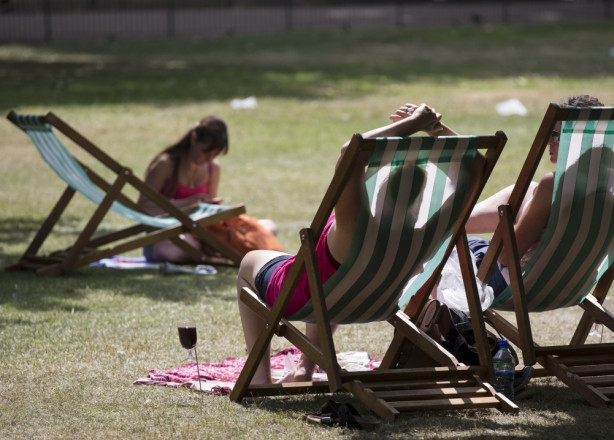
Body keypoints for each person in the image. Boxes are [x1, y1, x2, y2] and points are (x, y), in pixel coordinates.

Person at [237, 104, 446, 385]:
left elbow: (351, 151)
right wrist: (435, 129)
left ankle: (259, 377)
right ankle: (305, 368)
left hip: (309, 297)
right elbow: (477, 166)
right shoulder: (428, 228)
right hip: (376, 301)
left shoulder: (354, 225)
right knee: (328, 272)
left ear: (379, 188)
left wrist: (416, 122)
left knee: (252, 260)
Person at [395, 95, 604, 298]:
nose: (550, 141)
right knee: (519, 194)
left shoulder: (552, 187)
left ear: (581, 140)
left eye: (557, 135)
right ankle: (424, 222)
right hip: (576, 283)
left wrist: (511, 226)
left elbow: (506, 257)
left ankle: (415, 233)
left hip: (514, 283)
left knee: (425, 241)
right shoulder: (611, 190)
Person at [137, 116, 277, 263]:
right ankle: (219, 250)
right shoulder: (166, 164)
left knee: (269, 226)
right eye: (205, 152)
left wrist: (212, 206)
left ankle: (213, 250)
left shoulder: (213, 167)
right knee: (171, 250)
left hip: (200, 233)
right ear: (193, 138)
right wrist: (187, 204)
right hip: (168, 234)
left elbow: (208, 214)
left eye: (214, 155)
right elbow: (143, 205)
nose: (208, 159)